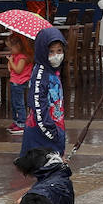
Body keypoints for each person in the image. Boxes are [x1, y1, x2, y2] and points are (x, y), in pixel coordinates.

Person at [23, 26, 68, 154]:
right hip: (41, 132)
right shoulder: (40, 73)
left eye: (59, 51)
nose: (56, 56)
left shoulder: (54, 71)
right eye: (51, 52)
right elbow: (38, 105)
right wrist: (51, 132)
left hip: (54, 127)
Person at [7, 34, 33, 134]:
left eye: (11, 48)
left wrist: (11, 62)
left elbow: (18, 70)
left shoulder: (22, 58)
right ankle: (16, 121)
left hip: (19, 82)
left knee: (19, 103)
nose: (10, 51)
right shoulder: (16, 56)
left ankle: (22, 123)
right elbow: (10, 69)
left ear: (18, 46)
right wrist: (10, 62)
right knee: (14, 103)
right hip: (14, 81)